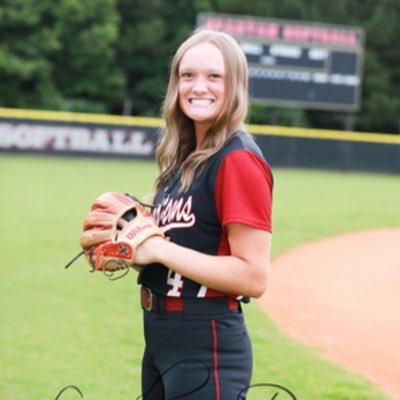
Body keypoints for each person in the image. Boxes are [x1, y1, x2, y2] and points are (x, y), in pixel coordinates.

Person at [134, 28, 273, 400]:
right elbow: (187, 249)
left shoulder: (237, 158)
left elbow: (253, 275)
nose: (199, 87)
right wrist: (131, 246)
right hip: (163, 335)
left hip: (204, 339)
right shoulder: (185, 159)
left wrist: (158, 250)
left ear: (236, 85)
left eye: (214, 76)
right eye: (187, 75)